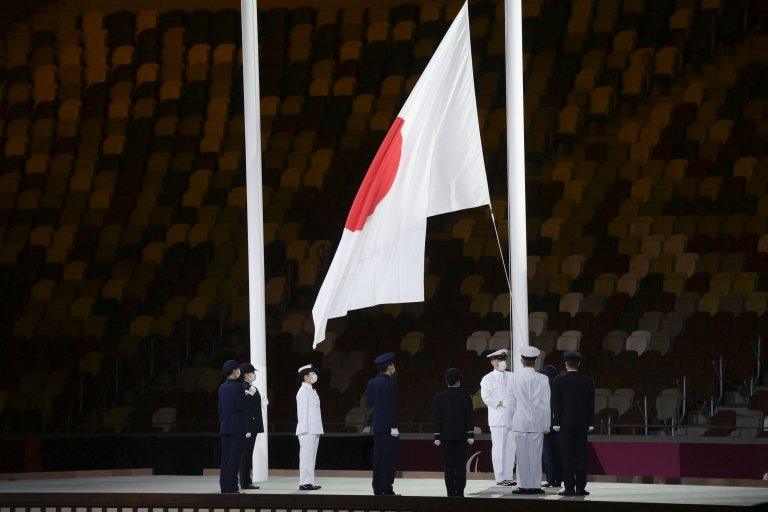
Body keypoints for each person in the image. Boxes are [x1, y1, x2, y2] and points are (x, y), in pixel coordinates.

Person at [552, 351, 595, 497]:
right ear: (579, 364)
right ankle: (580, 488)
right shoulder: (588, 381)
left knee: (567, 457)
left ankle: (569, 488)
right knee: (581, 456)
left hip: (565, 423)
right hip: (582, 423)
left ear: (565, 364)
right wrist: (591, 422)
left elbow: (557, 404)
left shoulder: (558, 381)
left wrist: (556, 422)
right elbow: (590, 404)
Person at [509, 346, 550, 495]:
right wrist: (546, 425)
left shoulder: (514, 377)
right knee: (536, 455)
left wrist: (509, 423)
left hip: (519, 421)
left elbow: (511, 402)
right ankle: (535, 485)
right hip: (537, 422)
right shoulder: (543, 379)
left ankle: (522, 485)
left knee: (521, 456)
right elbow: (546, 404)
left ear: (521, 361)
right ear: (535, 361)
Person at [434, 367, 475, 497]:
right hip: (462, 437)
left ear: (446, 381)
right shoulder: (465, 395)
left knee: (449, 466)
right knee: (460, 466)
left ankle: (451, 493)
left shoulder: (440, 396)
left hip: (446, 437)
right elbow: (469, 417)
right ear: (458, 381)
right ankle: (460, 492)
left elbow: (437, 418)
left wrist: (437, 435)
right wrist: (470, 434)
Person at [480, 349, 516, 486]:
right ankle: (500, 478)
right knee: (499, 448)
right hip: (498, 418)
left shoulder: (513, 376)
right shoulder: (487, 378)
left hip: (512, 418)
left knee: (511, 449)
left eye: (504, 360)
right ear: (493, 362)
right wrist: (500, 403)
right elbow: (486, 397)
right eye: (499, 360)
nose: (502, 362)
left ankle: (508, 476)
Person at [365, 352, 400, 495]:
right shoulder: (390, 383)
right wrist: (393, 426)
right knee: (388, 457)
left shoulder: (372, 382)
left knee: (378, 457)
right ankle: (387, 487)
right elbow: (392, 407)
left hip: (377, 425)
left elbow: (369, 403)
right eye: (393, 364)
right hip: (388, 426)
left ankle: (377, 487)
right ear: (389, 366)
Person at [218, 359, 248, 493]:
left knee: (225, 458)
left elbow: (220, 408)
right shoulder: (238, 387)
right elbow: (241, 406)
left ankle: (224, 486)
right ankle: (232, 487)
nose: (239, 372)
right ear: (234, 371)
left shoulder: (222, 387)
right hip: (237, 427)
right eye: (238, 369)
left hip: (225, 426)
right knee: (235, 459)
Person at [296, 364, 323, 491]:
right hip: (307, 430)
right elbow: (302, 412)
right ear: (305, 376)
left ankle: (310, 482)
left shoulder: (311, 390)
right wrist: (304, 430)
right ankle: (304, 483)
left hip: (314, 428)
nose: (314, 376)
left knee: (311, 458)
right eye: (312, 374)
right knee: (306, 457)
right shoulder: (303, 391)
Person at [238, 363, 264, 490]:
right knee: (245, 455)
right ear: (246, 374)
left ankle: (246, 480)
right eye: (252, 372)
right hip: (248, 426)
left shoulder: (251, 387)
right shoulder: (243, 387)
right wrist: (247, 428)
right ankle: (244, 481)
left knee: (248, 454)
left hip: (253, 425)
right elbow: (246, 409)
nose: (253, 375)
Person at [539, 364, 562, 488]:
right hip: (556, 425)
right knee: (555, 454)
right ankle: (555, 479)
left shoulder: (543, 388)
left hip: (547, 425)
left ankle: (552, 479)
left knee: (548, 455)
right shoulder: (558, 387)